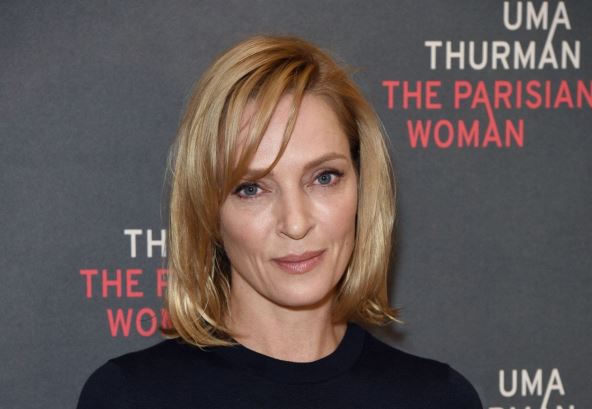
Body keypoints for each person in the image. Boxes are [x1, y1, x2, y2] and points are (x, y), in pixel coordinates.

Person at [76, 35, 483, 409]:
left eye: (324, 178)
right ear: (208, 210)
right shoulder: (130, 397)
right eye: (251, 188)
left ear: (362, 186)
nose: (296, 222)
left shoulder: (439, 398)